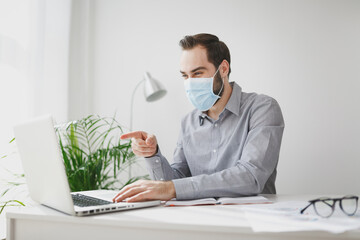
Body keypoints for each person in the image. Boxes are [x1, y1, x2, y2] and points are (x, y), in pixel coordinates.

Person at [113, 33, 284, 203]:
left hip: (252, 220)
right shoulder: (188, 122)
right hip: (199, 218)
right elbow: (175, 181)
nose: (190, 83)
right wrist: (152, 154)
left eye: (197, 73)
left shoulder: (262, 108)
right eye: (185, 76)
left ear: (223, 69)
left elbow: (251, 176)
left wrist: (172, 188)